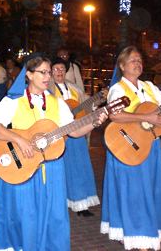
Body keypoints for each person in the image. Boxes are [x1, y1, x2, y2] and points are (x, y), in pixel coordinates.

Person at [0, 54, 108, 251]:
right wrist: (20, 140)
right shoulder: (13, 101)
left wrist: (93, 122)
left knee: (54, 215)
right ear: (28, 74)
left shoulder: (56, 103)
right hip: (24, 167)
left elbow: (74, 130)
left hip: (52, 169)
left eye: (49, 72)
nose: (47, 76)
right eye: (42, 72)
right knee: (25, 214)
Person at [101, 46, 161, 251]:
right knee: (132, 190)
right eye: (133, 60)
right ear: (122, 65)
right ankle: (136, 233)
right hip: (126, 145)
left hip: (150, 145)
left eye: (139, 60)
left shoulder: (149, 87)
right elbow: (115, 116)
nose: (138, 63)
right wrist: (145, 117)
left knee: (149, 189)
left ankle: (138, 230)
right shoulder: (118, 89)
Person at [50, 57, 100, 216]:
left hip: (76, 133)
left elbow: (85, 106)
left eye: (62, 69)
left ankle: (81, 204)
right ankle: (60, 203)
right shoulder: (47, 90)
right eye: (56, 69)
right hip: (58, 136)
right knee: (60, 170)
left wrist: (97, 100)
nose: (59, 72)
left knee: (80, 167)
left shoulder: (75, 88)